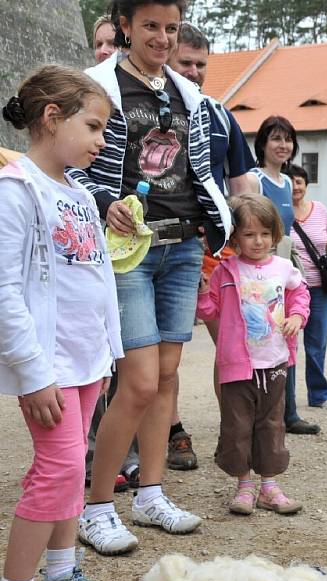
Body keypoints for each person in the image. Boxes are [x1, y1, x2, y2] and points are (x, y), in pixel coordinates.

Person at [68, 0, 232, 556]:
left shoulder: (188, 94)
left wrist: (217, 225)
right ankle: (95, 507)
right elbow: (68, 168)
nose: (162, 38)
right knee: (136, 381)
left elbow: (203, 169)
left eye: (169, 27)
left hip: (184, 247)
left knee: (165, 378)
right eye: (150, 27)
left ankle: (151, 493)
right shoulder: (98, 85)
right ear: (123, 27)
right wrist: (102, 201)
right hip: (129, 251)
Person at [0, 64, 122, 581]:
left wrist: (109, 348)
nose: (102, 140)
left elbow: (94, 277)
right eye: (94, 127)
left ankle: (63, 573)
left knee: (73, 471)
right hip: (47, 366)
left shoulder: (77, 191)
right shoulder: (16, 189)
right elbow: (4, 289)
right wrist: (31, 372)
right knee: (58, 471)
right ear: (53, 117)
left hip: (86, 358)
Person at [164, 21, 257, 471]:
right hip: (166, 246)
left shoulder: (220, 115)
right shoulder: (150, 110)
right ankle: (173, 430)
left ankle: (236, 433)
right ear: (167, 57)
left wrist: (252, 246)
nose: (196, 72)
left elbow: (242, 185)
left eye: (202, 64)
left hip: (216, 253)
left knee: (234, 349)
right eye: (187, 62)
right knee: (168, 353)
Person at [196, 194, 309, 515]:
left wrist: (297, 317)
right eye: (249, 234)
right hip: (237, 366)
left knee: (271, 425)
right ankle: (244, 486)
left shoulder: (284, 268)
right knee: (237, 426)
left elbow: (300, 296)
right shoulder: (225, 271)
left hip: (274, 362)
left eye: (264, 233)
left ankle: (269, 487)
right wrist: (203, 291)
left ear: (275, 234)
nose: (258, 241)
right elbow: (209, 310)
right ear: (235, 237)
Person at [85, 10, 139, 497]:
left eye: (111, 45)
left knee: (124, 363)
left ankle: (125, 455)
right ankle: (88, 458)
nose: (104, 51)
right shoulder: (81, 108)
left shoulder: (122, 114)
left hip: (123, 247)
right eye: (97, 44)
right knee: (93, 361)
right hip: (87, 249)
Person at [243, 116, 320, 435]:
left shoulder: (288, 182)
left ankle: (288, 411)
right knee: (261, 337)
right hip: (259, 271)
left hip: (284, 264)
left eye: (287, 139)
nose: (282, 145)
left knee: (289, 335)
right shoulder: (253, 179)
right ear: (262, 143)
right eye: (275, 138)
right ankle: (261, 411)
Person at [286, 164, 327, 410]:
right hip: (291, 287)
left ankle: (319, 394)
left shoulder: (320, 210)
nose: (296, 186)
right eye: (291, 182)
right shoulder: (281, 212)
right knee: (288, 342)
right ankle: (287, 400)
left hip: (320, 288)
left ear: (306, 185)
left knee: (317, 342)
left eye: (300, 181)